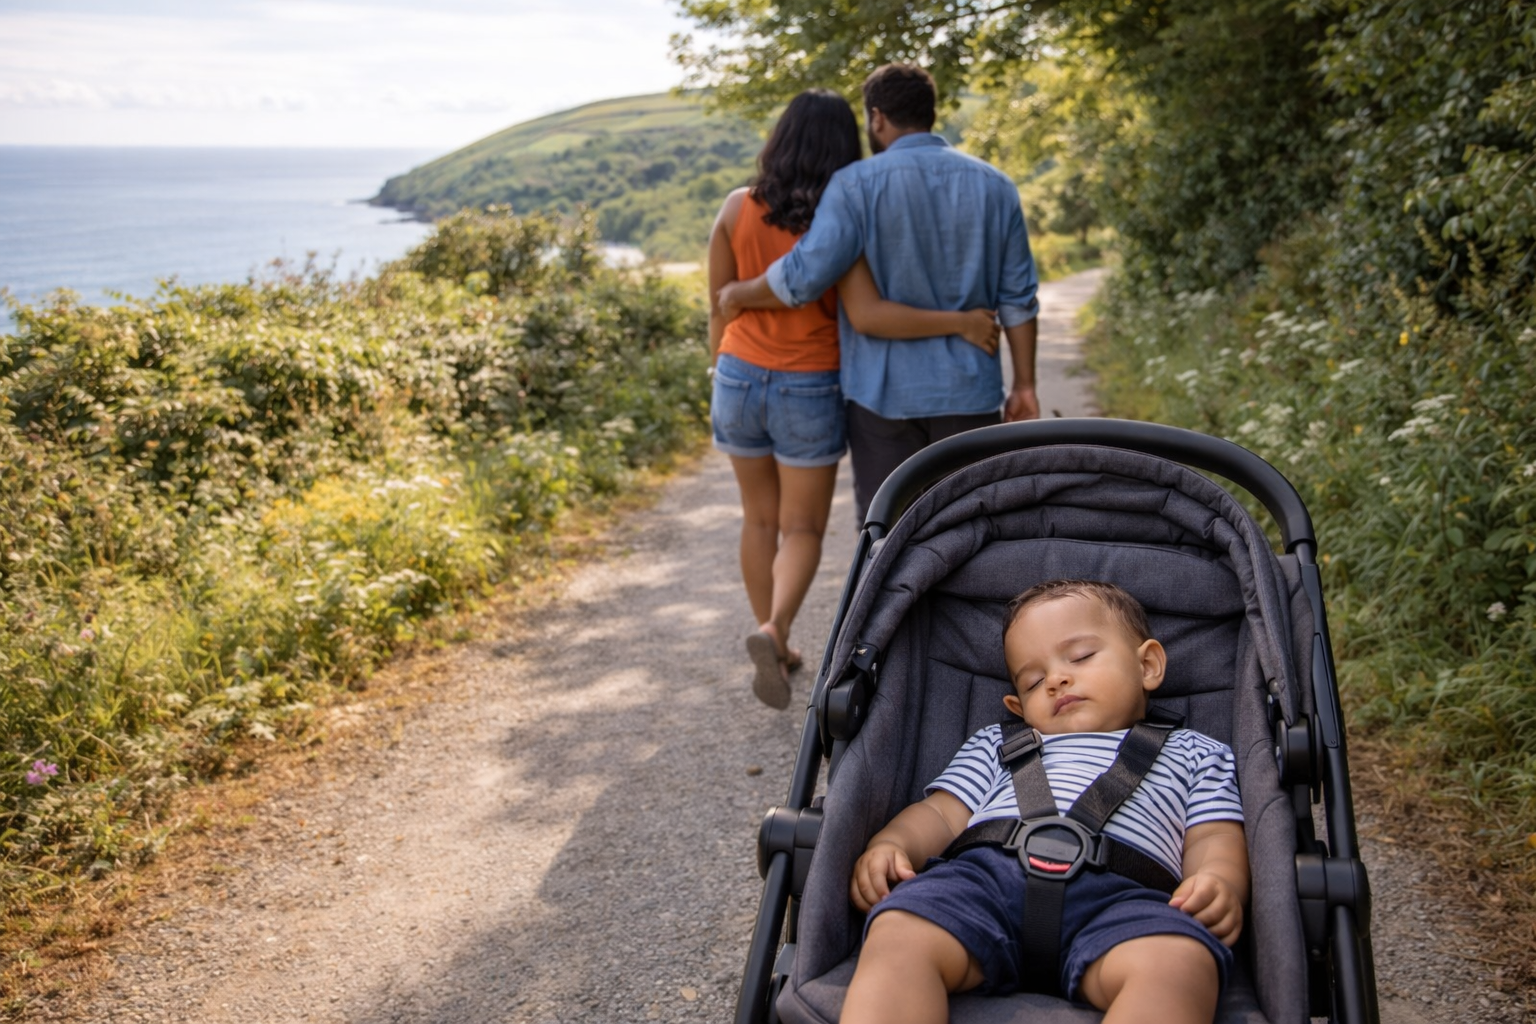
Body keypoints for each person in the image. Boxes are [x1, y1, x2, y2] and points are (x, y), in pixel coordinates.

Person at [709, 88, 1003, 710]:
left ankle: (778, 642)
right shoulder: (839, 214)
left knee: (758, 519)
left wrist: (723, 369)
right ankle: (775, 629)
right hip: (809, 382)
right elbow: (865, 310)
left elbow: (720, 302)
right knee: (803, 527)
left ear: (779, 138)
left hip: (736, 376)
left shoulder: (736, 207)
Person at [842, 580, 1249, 1024]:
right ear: (1018, 706)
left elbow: (1212, 835)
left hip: (1128, 901)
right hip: (983, 886)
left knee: (1180, 963)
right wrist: (892, 844)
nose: (1056, 679)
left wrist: (1217, 881)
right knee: (899, 929)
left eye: (1081, 657)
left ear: (1148, 665)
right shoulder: (1000, 744)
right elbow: (940, 813)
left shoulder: (1197, 753)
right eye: (1035, 681)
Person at [719, 63, 1042, 526]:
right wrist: (1025, 385)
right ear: (929, 114)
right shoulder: (996, 185)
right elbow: (1019, 298)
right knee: (973, 524)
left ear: (877, 118)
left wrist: (738, 294)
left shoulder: (854, 185)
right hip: (968, 394)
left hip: (881, 398)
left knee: (887, 532)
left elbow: (804, 275)